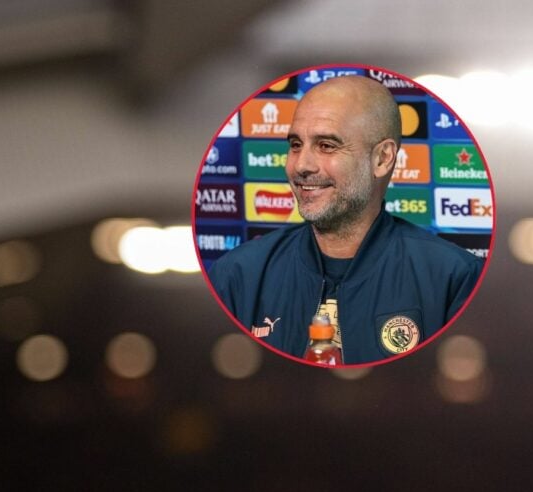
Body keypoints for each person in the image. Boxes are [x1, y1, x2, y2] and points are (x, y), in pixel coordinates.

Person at [207, 75, 484, 364]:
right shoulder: (237, 275)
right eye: (296, 145)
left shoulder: (454, 278)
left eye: (326, 146)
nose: (301, 165)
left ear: (382, 159)